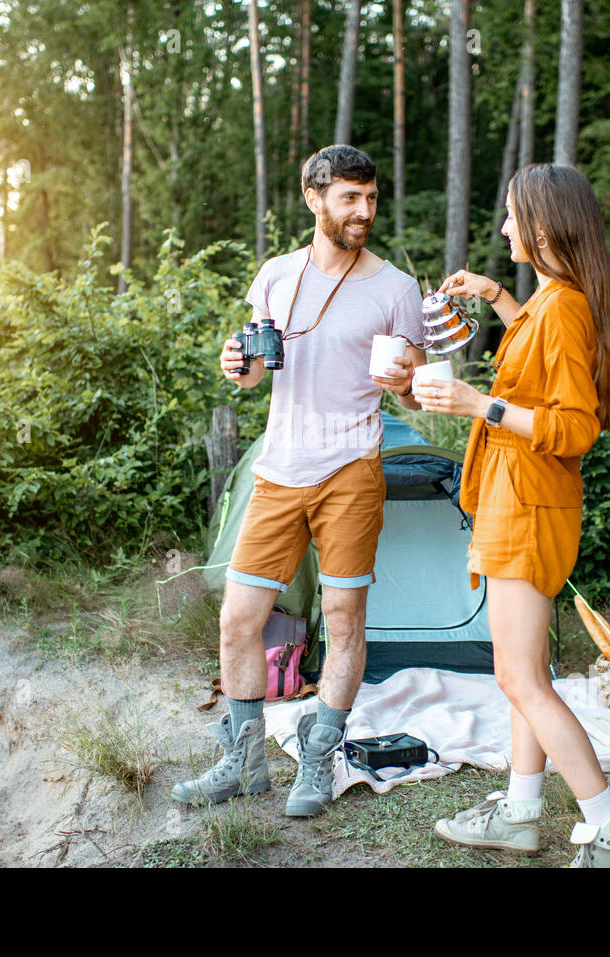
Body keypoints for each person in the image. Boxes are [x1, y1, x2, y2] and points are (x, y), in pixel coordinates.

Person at [172, 145, 428, 817]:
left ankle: (319, 754)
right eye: (350, 198)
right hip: (280, 470)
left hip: (351, 470)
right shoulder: (276, 276)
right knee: (238, 620)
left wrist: (407, 385)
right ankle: (244, 760)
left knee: (343, 617)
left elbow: (415, 397)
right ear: (315, 199)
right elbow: (258, 371)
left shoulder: (396, 289)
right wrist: (236, 362)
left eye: (371, 198)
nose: (364, 212)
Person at [413, 163, 610, 867]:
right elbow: (540, 354)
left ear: (545, 227)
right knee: (521, 668)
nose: (506, 227)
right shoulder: (553, 301)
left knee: (521, 677)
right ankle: (518, 812)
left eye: (514, 216)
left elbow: (575, 425)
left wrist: (476, 405)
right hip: (519, 500)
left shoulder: (567, 305)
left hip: (530, 505)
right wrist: (497, 295)